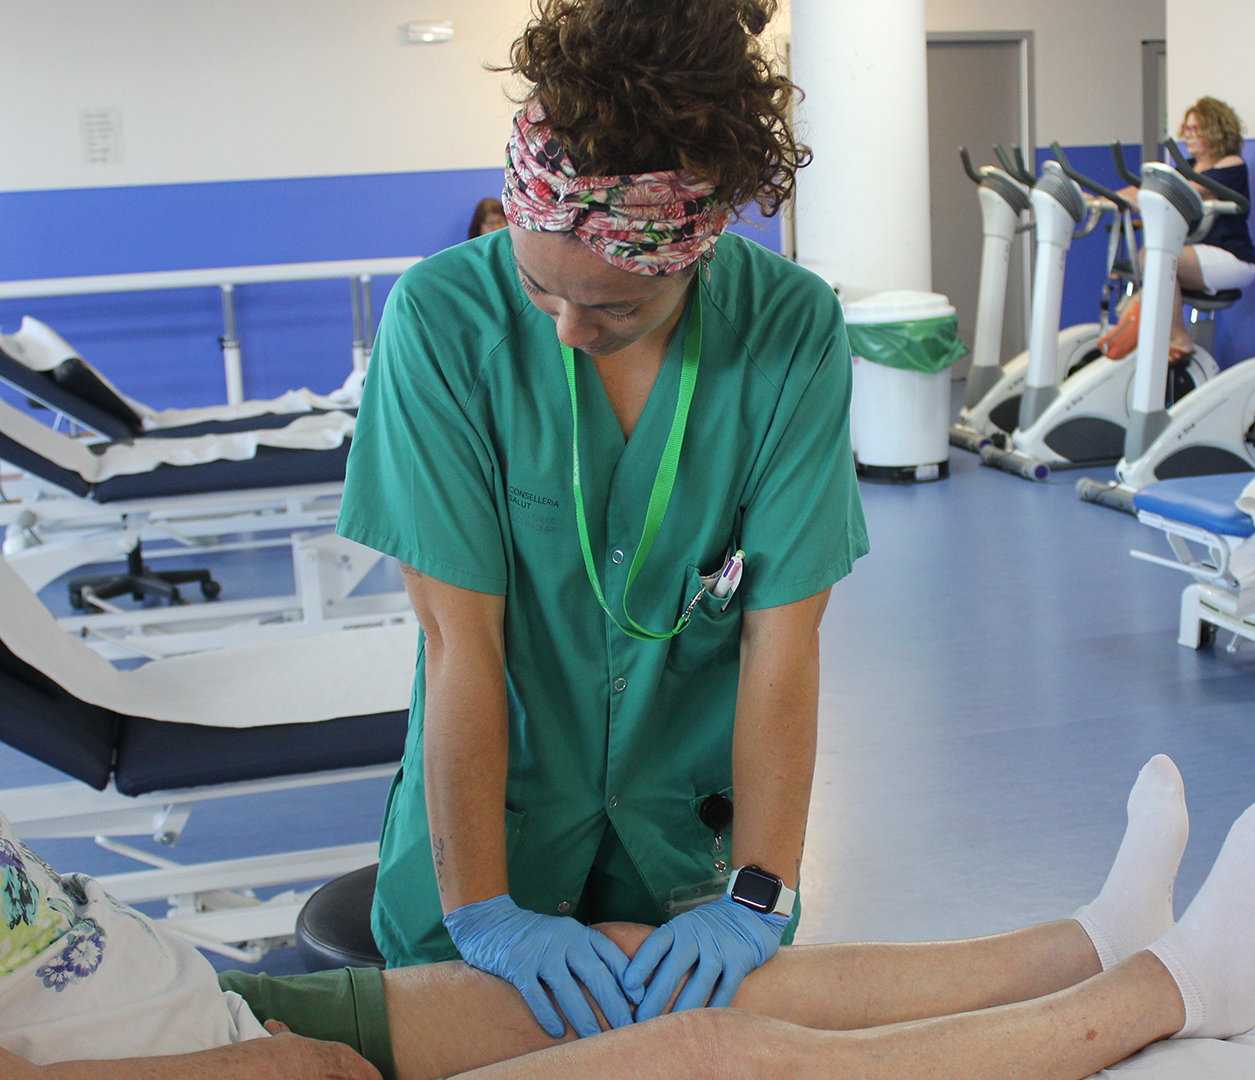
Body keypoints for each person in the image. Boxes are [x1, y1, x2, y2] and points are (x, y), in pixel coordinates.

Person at [0, 582, 1255, 1080]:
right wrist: (258, 1071)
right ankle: (1177, 991)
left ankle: (1091, 935)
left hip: (205, 1004)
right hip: (203, 1062)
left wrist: (248, 1028)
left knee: (653, 969)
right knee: (714, 1056)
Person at [337, 0, 868, 1036]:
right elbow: (458, 644)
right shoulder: (444, 323)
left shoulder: (790, 333)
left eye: (618, 308)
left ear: (693, 253)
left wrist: (759, 892)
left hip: (695, 853)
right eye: (542, 289)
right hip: (491, 841)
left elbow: (782, 644)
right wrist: (483, 906)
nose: (572, 330)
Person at [1100, 96, 1255, 360]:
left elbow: (1176, 191)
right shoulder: (1190, 168)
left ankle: (1178, 338)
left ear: (1215, 130)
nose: (1188, 135)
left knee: (1154, 257)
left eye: (1195, 129)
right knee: (1148, 281)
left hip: (1232, 259)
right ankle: (1131, 334)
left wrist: (1144, 196)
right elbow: (1147, 189)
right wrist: (1102, 199)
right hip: (1198, 257)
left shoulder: (1232, 164)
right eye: (1186, 129)